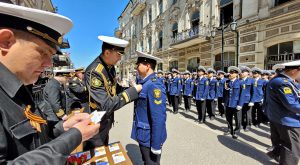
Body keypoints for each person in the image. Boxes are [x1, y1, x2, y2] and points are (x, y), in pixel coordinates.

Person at [0, 2, 100, 163]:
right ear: (6, 41)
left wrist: (62, 128)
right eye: (42, 52)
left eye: (51, 56)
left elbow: (36, 136)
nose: (49, 64)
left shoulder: (21, 89)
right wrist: (74, 136)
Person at [84, 35, 142, 148]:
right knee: (96, 154)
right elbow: (105, 105)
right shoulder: (95, 72)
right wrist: (132, 92)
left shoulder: (110, 67)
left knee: (104, 149)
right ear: (107, 53)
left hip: (106, 120)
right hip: (96, 124)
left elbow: (115, 89)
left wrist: (131, 89)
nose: (120, 58)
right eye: (118, 55)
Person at [131, 51, 167, 165]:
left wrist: (156, 145)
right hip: (144, 134)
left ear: (147, 66)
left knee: (151, 163)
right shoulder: (145, 83)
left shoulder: (154, 84)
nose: (136, 67)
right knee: (146, 162)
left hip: (149, 137)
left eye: (138, 64)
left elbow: (159, 117)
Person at [265, 60, 300, 165]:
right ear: (295, 71)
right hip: (288, 120)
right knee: (292, 149)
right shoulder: (282, 83)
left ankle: (277, 155)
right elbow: (291, 104)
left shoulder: (284, 80)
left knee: (281, 143)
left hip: (278, 118)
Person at [223, 66, 241, 139]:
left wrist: (240, 104)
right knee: (228, 117)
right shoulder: (227, 82)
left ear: (236, 74)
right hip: (228, 103)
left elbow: (242, 94)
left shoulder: (240, 82)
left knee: (237, 119)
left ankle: (236, 132)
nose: (230, 74)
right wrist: (224, 101)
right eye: (230, 72)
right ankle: (230, 129)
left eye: (232, 73)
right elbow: (225, 93)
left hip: (236, 103)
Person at [237, 66, 253, 132]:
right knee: (239, 113)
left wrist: (252, 101)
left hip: (247, 100)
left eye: (243, 72)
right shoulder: (238, 81)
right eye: (241, 72)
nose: (242, 73)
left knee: (247, 114)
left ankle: (248, 125)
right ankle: (240, 124)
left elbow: (254, 92)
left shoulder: (251, 81)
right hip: (239, 100)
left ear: (247, 73)